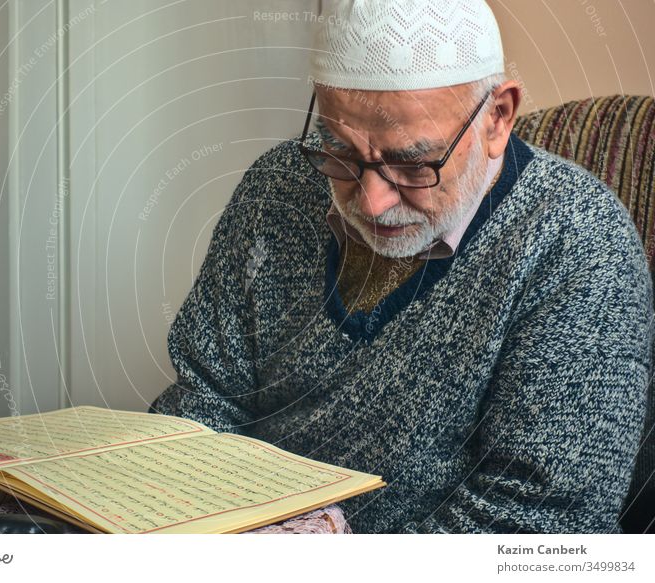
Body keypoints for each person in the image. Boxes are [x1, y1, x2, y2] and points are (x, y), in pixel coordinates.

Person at [149, 0, 653, 533]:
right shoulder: (276, 188)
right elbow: (204, 400)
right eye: (338, 150)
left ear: (498, 118)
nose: (371, 202)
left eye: (414, 164)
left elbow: (540, 526)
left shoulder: (577, 240)